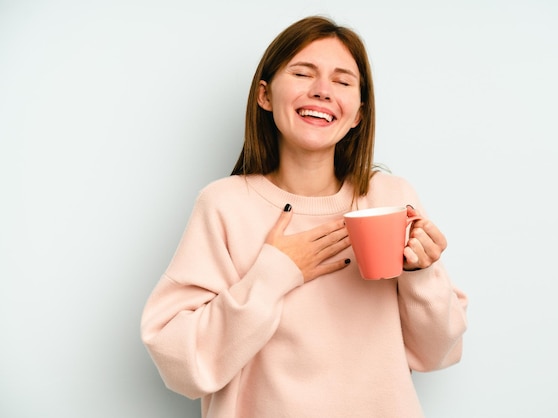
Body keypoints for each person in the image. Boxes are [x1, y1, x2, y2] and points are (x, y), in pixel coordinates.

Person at [141, 15, 468, 418]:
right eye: (303, 73)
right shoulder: (224, 204)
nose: (322, 91)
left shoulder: (391, 197)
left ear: (358, 114)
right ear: (264, 95)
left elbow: (438, 352)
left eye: (343, 81)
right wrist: (273, 275)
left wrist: (423, 275)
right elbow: (180, 365)